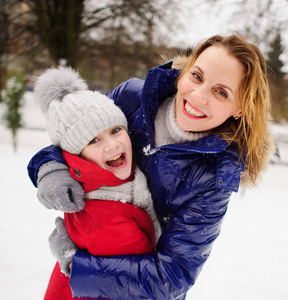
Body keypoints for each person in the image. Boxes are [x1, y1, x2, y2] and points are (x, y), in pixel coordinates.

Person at [28, 33, 275, 299]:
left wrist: (77, 265)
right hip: (78, 270)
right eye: (197, 76)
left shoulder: (214, 178)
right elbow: (75, 134)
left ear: (239, 108)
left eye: (221, 92)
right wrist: (50, 169)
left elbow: (172, 277)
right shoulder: (133, 98)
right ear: (184, 72)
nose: (199, 96)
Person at [32, 67, 162, 299]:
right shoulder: (105, 215)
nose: (111, 145)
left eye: (115, 130)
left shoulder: (121, 181)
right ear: (76, 155)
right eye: (94, 140)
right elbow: (141, 284)